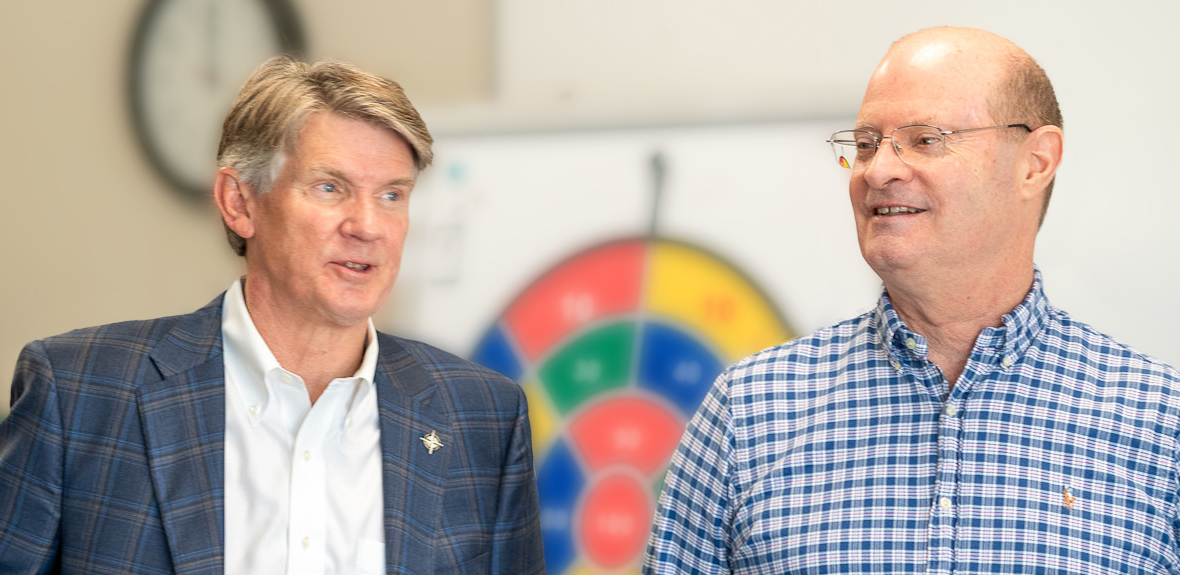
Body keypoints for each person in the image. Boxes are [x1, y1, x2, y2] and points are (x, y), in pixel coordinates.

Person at [644, 26, 1180, 574]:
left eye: (925, 140)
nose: (877, 170)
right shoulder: (749, 411)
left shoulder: (1161, 420)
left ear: (1035, 162)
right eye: (867, 144)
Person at [0, 56, 543, 575]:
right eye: (331, 188)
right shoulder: (80, 395)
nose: (368, 225)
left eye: (392, 195)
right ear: (240, 202)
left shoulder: (481, 418)